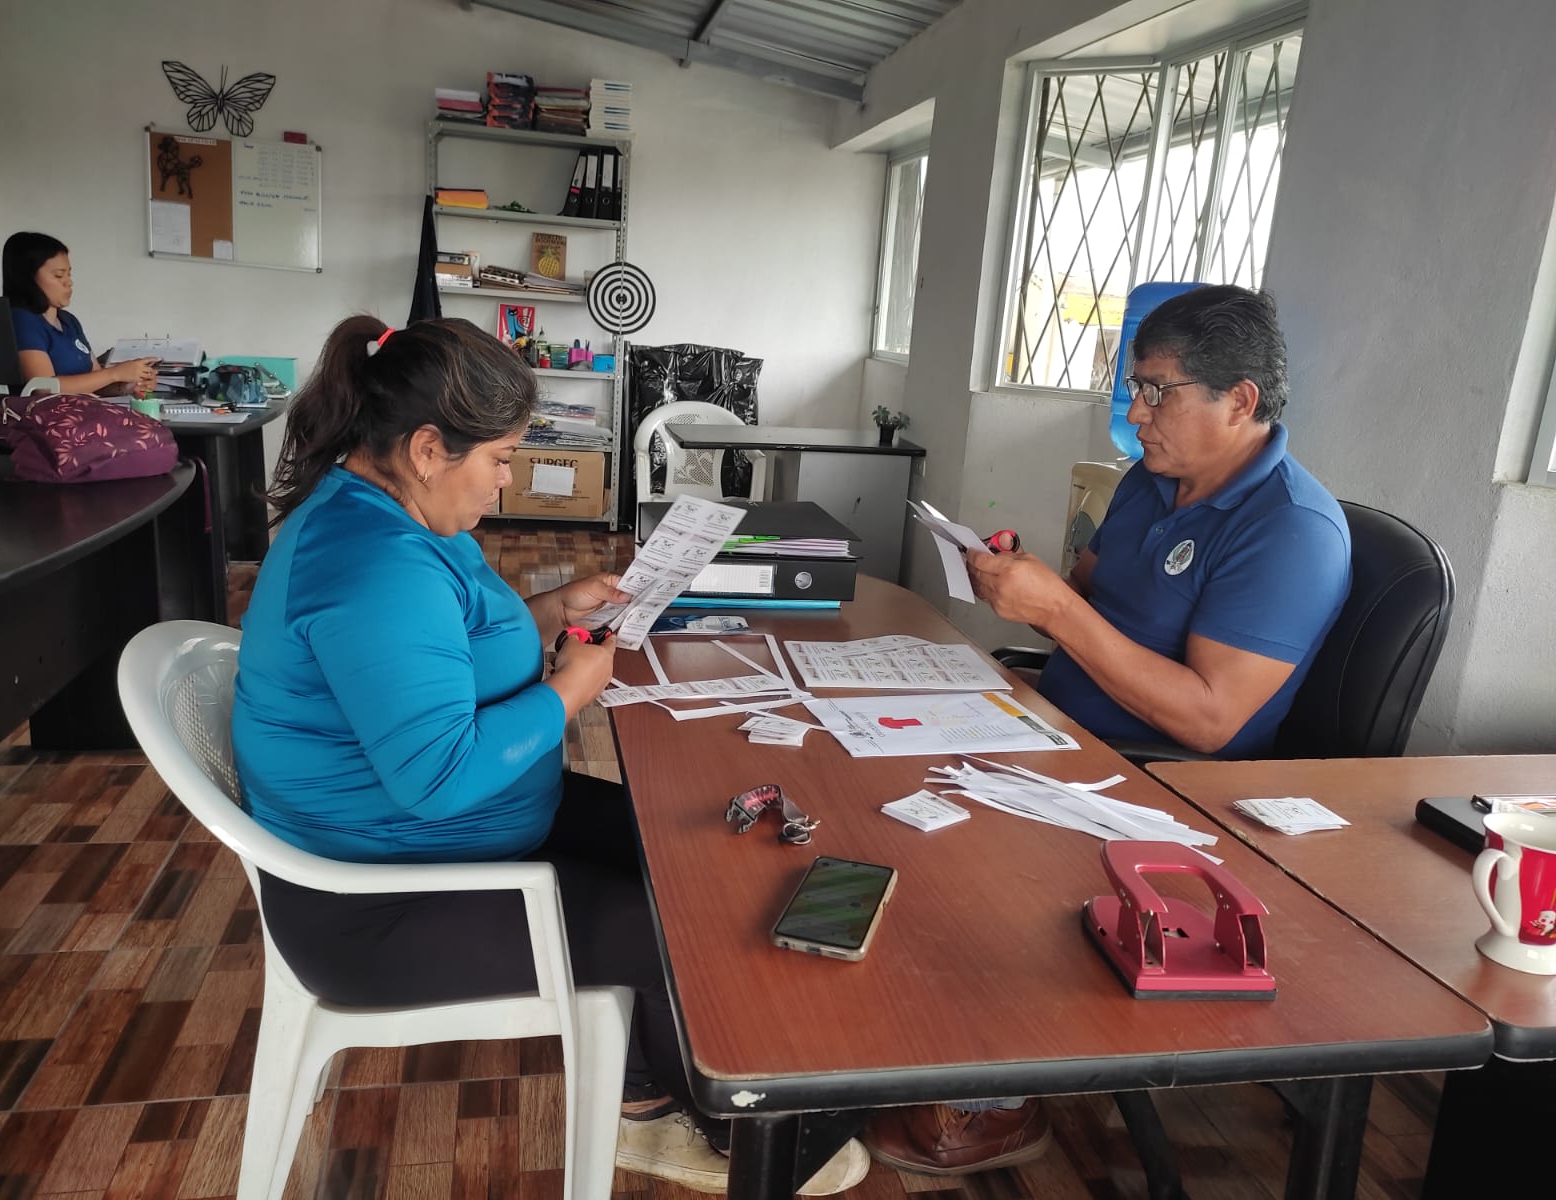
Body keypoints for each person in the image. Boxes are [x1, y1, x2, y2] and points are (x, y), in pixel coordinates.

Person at [230, 314, 867, 1196]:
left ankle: (674, 1076)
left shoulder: (392, 516)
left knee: (691, 852)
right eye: (499, 459)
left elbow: (445, 652)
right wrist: (571, 690)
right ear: (427, 449)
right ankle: (673, 1117)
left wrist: (553, 607)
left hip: (458, 838)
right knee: (680, 928)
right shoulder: (374, 567)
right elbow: (441, 778)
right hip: (377, 903)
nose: (506, 480)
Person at [862, 285, 1351, 1177]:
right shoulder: (1145, 483)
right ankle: (906, 1020)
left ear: (1240, 401)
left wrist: (1053, 612)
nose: (1137, 413)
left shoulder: (1292, 530)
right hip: (1060, 728)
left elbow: (1209, 719)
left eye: (1158, 391)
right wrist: (1023, 584)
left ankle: (1000, 1096)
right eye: (1134, 388)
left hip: (1153, 783)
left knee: (954, 849)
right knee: (868, 766)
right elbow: (1087, 602)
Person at [2, 231, 157, 396]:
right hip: (45, 412)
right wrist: (114, 374)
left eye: (69, 274)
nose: (69, 282)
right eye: (59, 275)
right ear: (28, 278)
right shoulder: (22, 320)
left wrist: (130, 383)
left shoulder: (69, 321)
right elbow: (43, 387)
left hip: (83, 408)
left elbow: (96, 382)